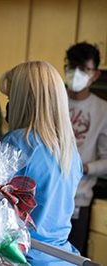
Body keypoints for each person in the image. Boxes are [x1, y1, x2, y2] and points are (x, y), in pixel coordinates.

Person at [0, 61, 82, 265]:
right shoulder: (70, 151)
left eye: (11, 98)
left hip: (23, 257)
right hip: (62, 257)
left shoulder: (17, 144)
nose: (8, 106)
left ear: (23, 102)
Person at [64, 42, 107, 256]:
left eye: (84, 69)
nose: (76, 73)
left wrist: (83, 167)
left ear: (95, 75)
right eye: (72, 67)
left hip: (78, 202)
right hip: (43, 195)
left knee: (71, 258)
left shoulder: (102, 110)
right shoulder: (55, 100)